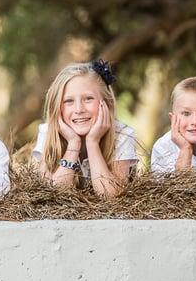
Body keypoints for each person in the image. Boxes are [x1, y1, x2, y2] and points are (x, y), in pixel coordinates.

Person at [32, 60, 138, 198]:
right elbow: (51, 194)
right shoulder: (48, 132)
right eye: (68, 101)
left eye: (88, 99)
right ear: (56, 107)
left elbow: (111, 196)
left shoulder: (122, 135)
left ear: (106, 103)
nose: (79, 109)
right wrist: (73, 145)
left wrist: (92, 142)